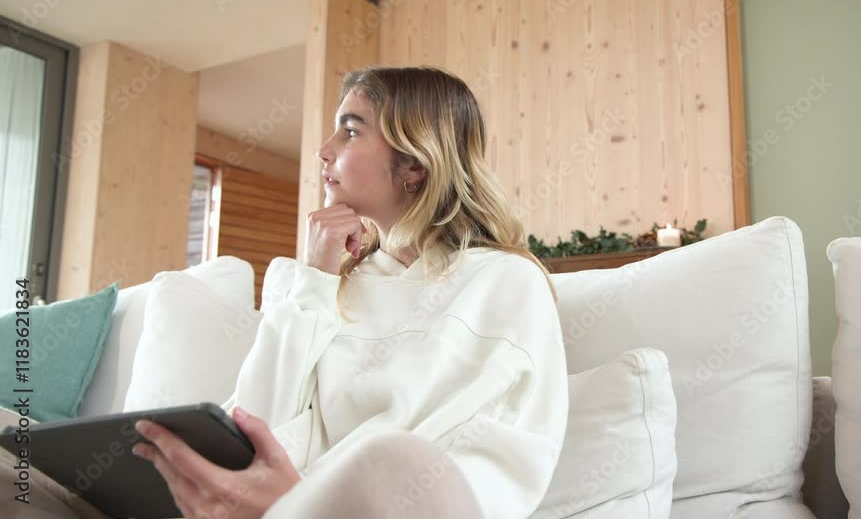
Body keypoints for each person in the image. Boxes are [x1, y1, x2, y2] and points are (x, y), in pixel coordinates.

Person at [0, 66, 568, 519]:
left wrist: (298, 504)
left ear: (414, 163)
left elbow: (490, 471)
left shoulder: (504, 281)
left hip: (366, 504)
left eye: (350, 130)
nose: (324, 150)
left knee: (390, 461)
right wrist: (313, 279)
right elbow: (257, 423)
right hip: (249, 506)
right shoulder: (335, 286)